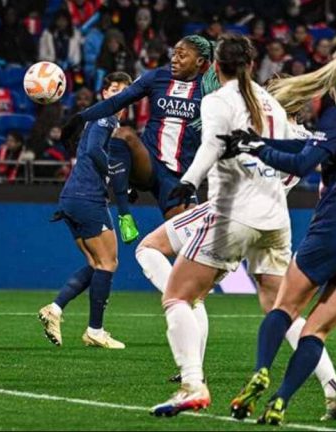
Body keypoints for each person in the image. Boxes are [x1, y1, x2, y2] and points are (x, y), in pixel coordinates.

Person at [219, 47, 336, 425]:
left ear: (332, 83)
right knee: (316, 331)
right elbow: (308, 147)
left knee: (284, 308)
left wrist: (258, 149)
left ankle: (261, 372)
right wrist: (256, 141)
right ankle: (281, 400)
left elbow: (302, 162)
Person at [148, 33, 291, 417]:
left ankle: (192, 384)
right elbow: (291, 155)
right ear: (251, 64)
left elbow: (211, 145)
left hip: (235, 213)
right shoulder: (272, 103)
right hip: (277, 217)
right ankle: (332, 386)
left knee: (178, 296)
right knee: (281, 307)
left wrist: (186, 183)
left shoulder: (218, 99)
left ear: (214, 66)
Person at [62, 35, 213, 222]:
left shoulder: (210, 88)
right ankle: (124, 211)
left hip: (177, 175)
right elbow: (117, 101)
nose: (174, 59)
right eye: (174, 54)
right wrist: (80, 118)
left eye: (182, 56)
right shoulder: (157, 76)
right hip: (148, 161)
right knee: (123, 134)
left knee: (189, 238)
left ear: (199, 61)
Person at [38, 72, 133, 349]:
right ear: (104, 94)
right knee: (108, 262)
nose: (119, 94)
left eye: (125, 91)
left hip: (72, 196)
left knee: (96, 264)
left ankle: (54, 309)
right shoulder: (106, 118)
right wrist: (116, 177)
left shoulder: (96, 118)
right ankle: (95, 330)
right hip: (88, 197)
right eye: (114, 89)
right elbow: (92, 150)